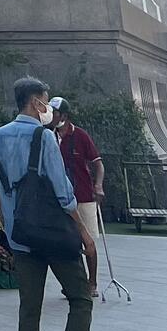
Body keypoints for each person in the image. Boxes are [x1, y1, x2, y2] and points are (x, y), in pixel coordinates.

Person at [0, 77, 96, 331]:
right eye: (46, 101)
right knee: (80, 298)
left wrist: (10, 226)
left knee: (29, 311)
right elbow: (63, 191)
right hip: (54, 233)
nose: (48, 108)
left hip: (21, 237)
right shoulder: (44, 137)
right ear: (36, 102)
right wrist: (82, 231)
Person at [51, 98, 105, 295]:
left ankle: (92, 283)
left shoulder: (80, 135)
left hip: (83, 195)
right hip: (59, 198)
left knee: (88, 240)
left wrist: (98, 185)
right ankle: (73, 283)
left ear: (64, 115)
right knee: (65, 242)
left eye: (54, 112)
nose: (50, 115)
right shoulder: (47, 135)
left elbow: (98, 163)